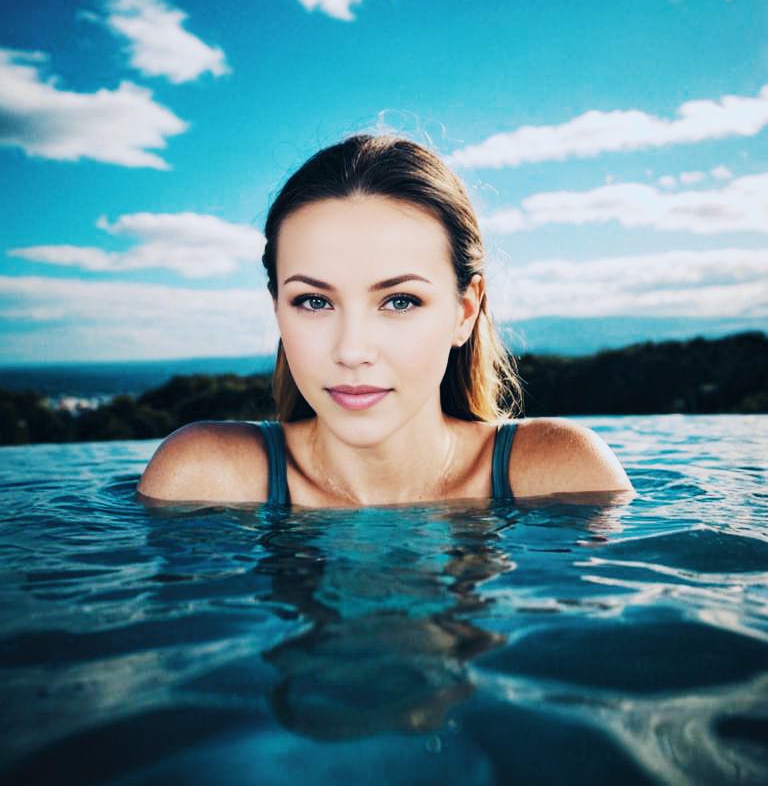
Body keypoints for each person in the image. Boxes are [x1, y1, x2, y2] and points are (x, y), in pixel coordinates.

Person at [138, 134, 632, 508]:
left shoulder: (564, 473)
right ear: (277, 310)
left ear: (466, 311)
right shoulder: (204, 477)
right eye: (313, 301)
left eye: (399, 301)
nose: (352, 351)